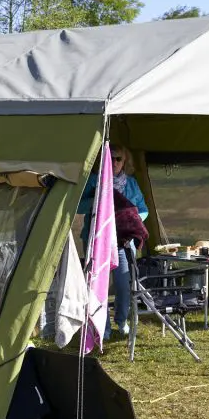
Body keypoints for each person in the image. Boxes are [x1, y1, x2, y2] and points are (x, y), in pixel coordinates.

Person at [77, 144, 148, 338]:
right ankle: (103, 327)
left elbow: (143, 209)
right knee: (97, 283)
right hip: (97, 240)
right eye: (110, 158)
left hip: (123, 241)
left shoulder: (131, 184)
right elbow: (77, 207)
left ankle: (121, 320)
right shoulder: (93, 181)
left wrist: (133, 220)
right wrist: (95, 200)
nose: (114, 162)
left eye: (118, 159)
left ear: (125, 162)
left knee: (123, 284)